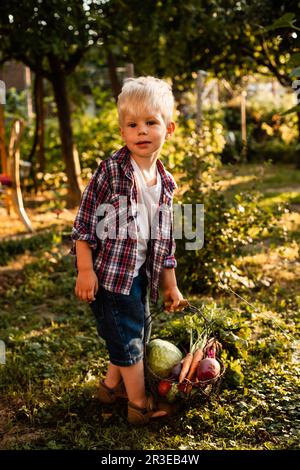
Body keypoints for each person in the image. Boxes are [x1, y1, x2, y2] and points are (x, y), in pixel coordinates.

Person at [71, 76, 184, 425]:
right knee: (130, 340)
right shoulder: (111, 171)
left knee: (133, 332)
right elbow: (84, 225)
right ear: (122, 132)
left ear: (169, 127)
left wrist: (170, 283)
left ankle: (109, 388)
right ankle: (138, 405)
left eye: (151, 122)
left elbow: (163, 241)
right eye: (132, 124)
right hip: (109, 277)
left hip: (139, 275)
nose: (142, 131)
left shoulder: (165, 183)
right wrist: (85, 270)